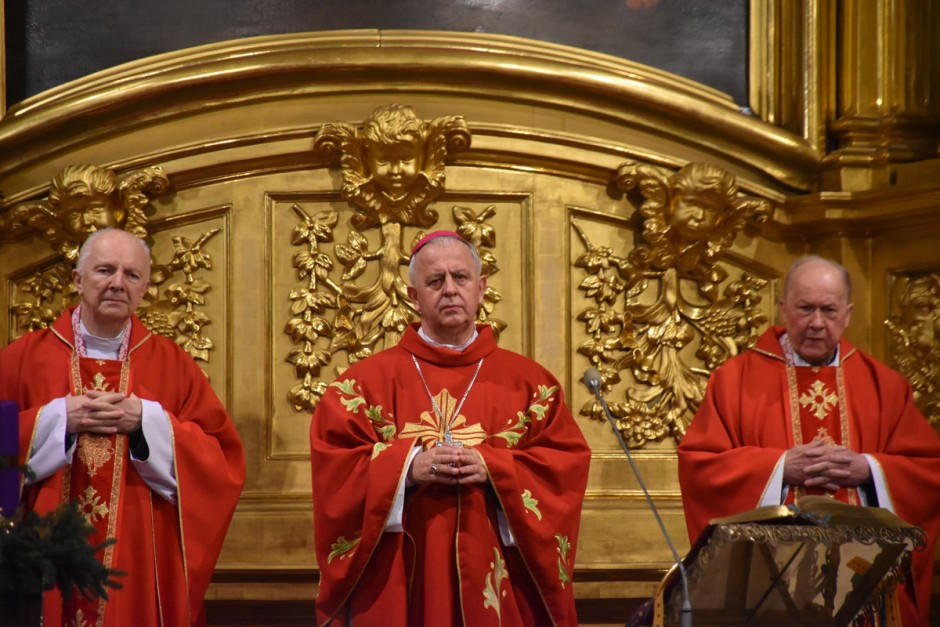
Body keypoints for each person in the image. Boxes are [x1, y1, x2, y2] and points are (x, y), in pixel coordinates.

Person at [309, 231, 591, 626]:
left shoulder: (531, 384)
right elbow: (335, 469)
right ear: (413, 296)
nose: (450, 290)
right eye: (435, 281)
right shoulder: (362, 384)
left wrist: (495, 468)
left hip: (498, 577)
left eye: (460, 277)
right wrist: (407, 469)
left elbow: (562, 465)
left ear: (481, 288)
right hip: (402, 579)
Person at [0, 228, 245, 626]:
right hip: (40, 555)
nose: (117, 283)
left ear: (145, 287)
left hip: (138, 555)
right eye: (105, 270)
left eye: (131, 275)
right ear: (78, 280)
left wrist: (147, 423)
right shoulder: (22, 358)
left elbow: (222, 462)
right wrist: (58, 419)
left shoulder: (173, 365)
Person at [677, 255, 940, 626]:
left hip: (867, 583)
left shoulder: (885, 386)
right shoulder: (734, 381)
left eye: (829, 310)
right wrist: (780, 467)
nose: (817, 323)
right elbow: (700, 466)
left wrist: (869, 469)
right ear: (783, 307)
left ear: (847, 314)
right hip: (767, 584)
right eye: (805, 309)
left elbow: (929, 472)